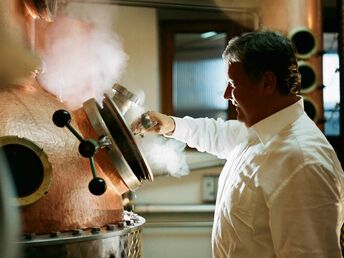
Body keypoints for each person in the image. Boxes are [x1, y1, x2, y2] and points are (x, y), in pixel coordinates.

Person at [131, 30, 344, 258]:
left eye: (233, 84)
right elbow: (217, 133)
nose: (226, 95)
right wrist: (171, 125)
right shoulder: (259, 129)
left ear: (267, 83)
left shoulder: (301, 162)